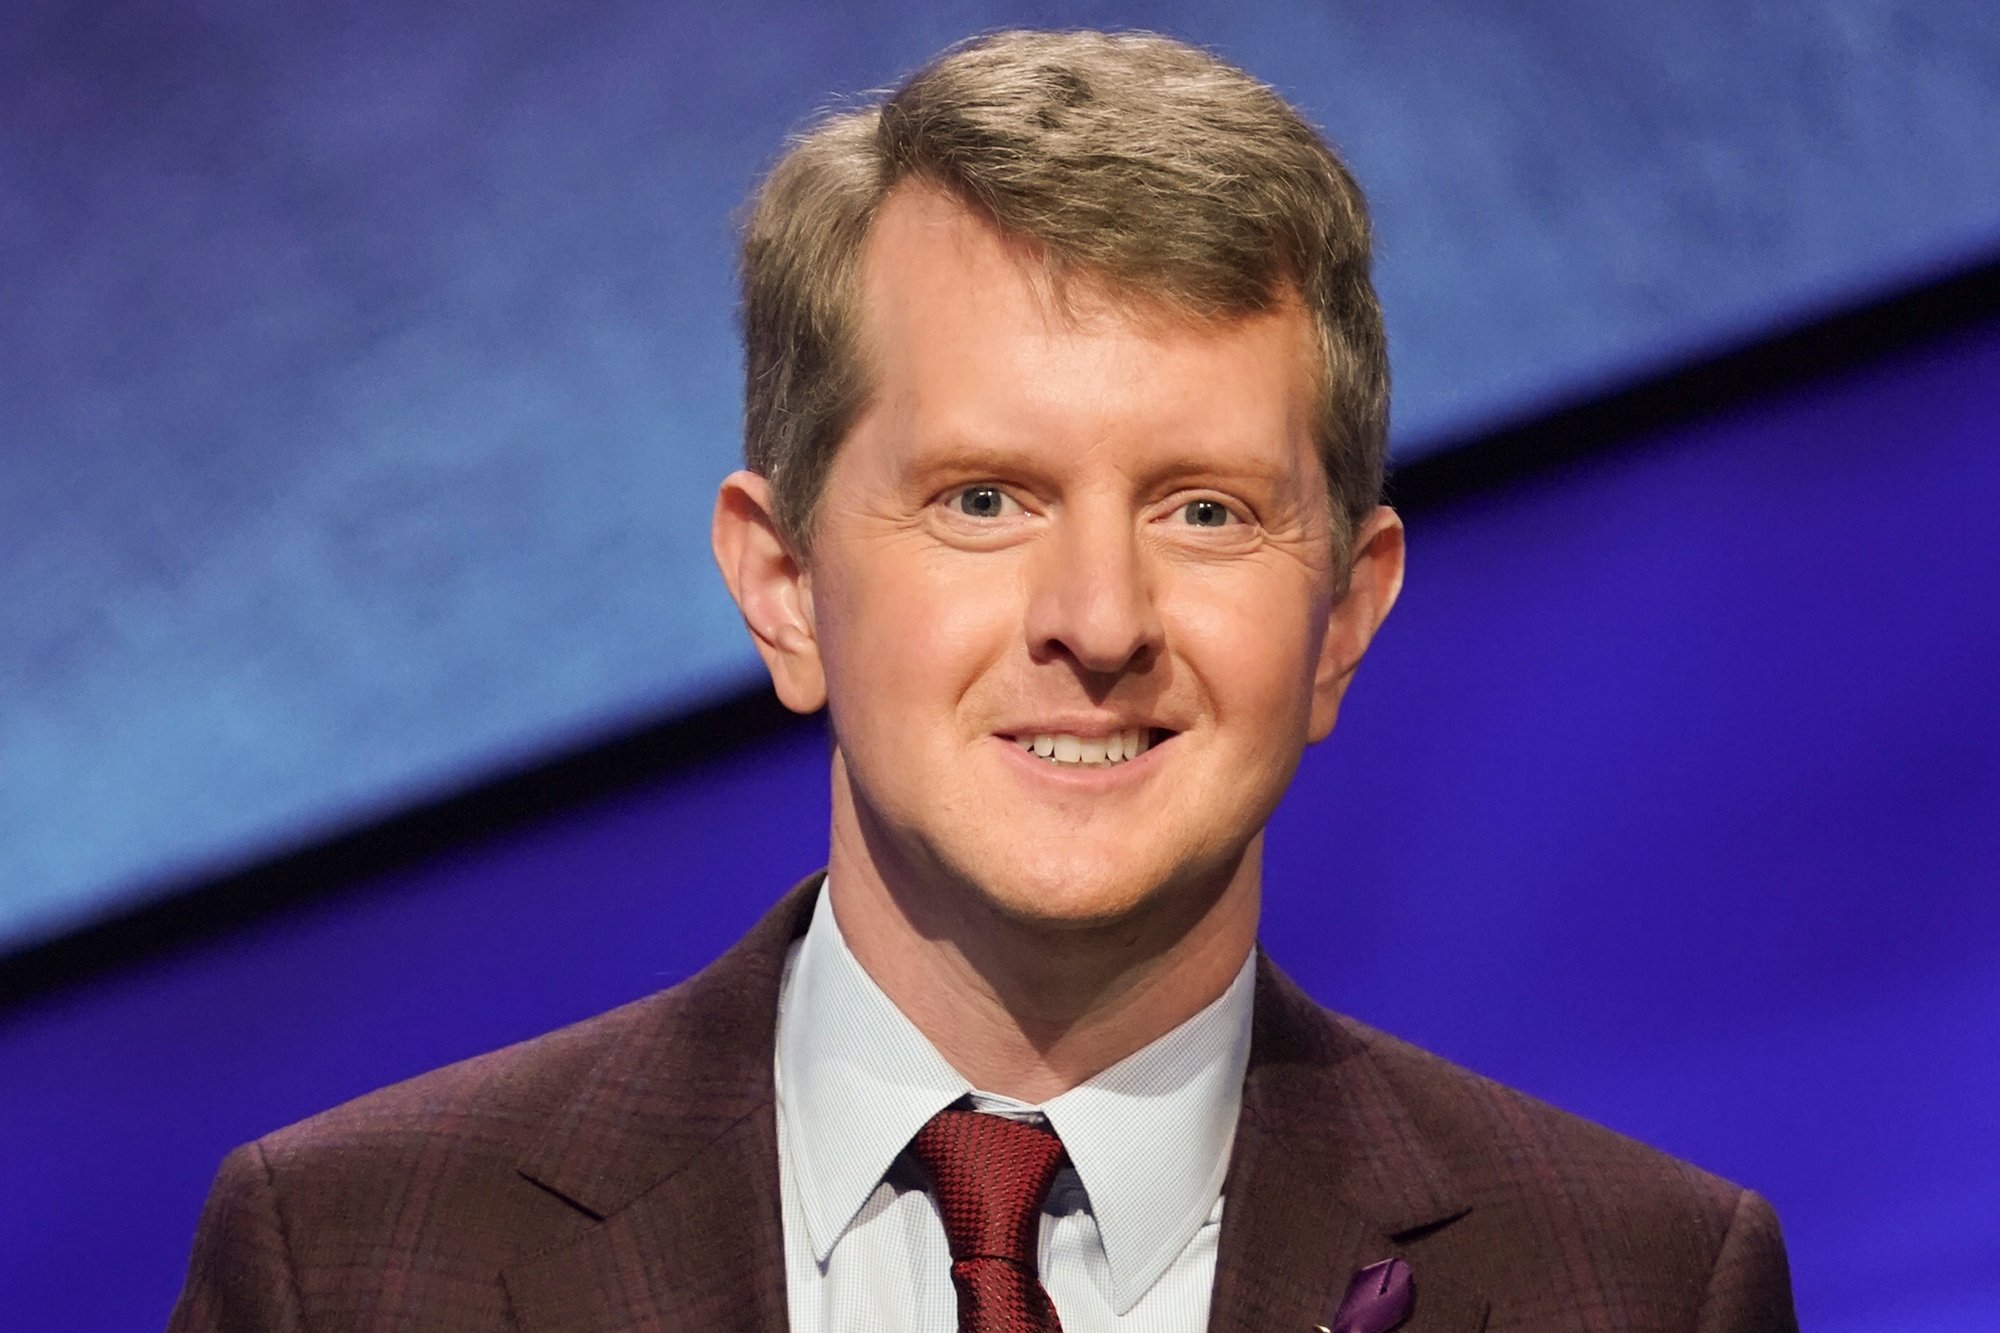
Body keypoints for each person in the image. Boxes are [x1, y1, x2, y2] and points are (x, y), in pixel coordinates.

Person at [170, 29, 1799, 1332]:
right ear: (787, 583)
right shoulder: (354, 1266)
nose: (1098, 619)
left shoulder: (1643, 1286)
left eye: (1206, 510)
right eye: (983, 499)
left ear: (1348, 616)